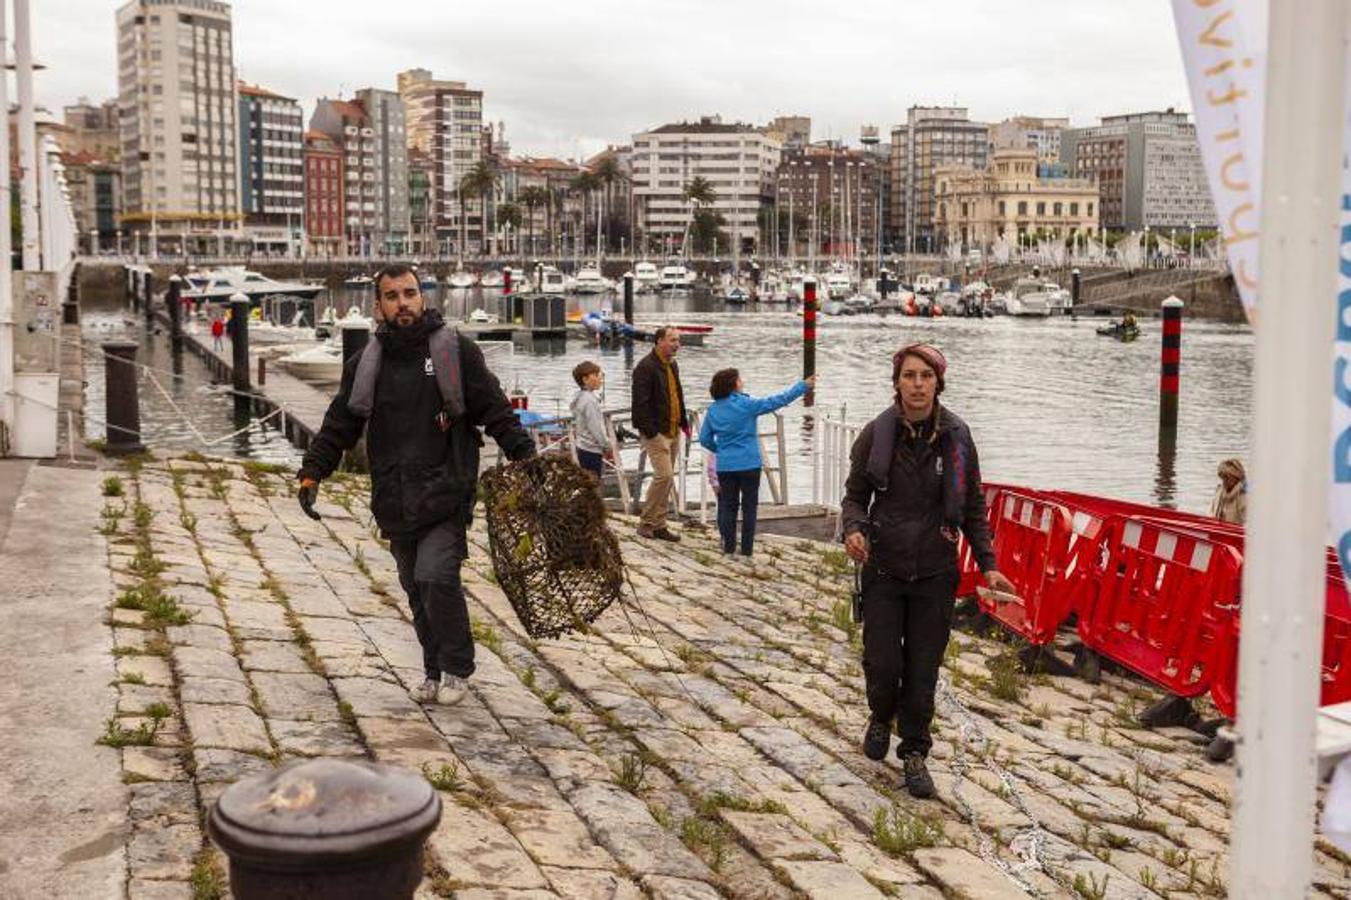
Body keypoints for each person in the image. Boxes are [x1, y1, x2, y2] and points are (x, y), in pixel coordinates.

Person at [295, 263, 535, 706]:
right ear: (379, 306)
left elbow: (495, 409)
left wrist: (526, 455)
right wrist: (313, 472)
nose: (402, 303)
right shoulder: (366, 363)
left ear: (421, 296)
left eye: (409, 293)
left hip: (447, 489)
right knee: (414, 587)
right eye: (392, 296)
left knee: (436, 576)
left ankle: (457, 667)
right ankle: (431, 668)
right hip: (393, 495)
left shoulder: (454, 353)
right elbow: (339, 424)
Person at [841, 343, 1015, 799]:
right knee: (883, 665)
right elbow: (855, 496)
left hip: (936, 571)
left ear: (939, 382)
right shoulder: (876, 435)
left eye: (926, 377)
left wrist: (989, 565)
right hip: (883, 565)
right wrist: (854, 530)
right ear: (897, 382)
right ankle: (881, 716)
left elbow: (974, 505)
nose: (918, 385)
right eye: (909, 376)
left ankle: (915, 752)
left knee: (922, 672)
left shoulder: (957, 436)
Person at [699, 369, 815, 557]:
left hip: (725, 466)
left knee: (728, 506)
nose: (742, 382)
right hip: (749, 464)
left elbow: (705, 439)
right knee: (749, 507)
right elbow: (778, 400)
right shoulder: (747, 404)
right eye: (740, 379)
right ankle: (746, 550)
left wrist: (721, 449)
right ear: (733, 384)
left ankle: (728, 548)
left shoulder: (713, 410)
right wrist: (802, 386)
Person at [630, 326, 688, 542]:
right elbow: (639, 404)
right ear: (659, 341)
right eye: (672, 340)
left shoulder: (672, 365)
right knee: (664, 476)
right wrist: (651, 432)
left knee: (667, 479)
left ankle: (660, 524)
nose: (677, 344)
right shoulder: (645, 367)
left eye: (678, 340)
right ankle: (646, 522)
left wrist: (683, 421)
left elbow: (677, 395)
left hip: (673, 429)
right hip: (656, 432)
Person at [570, 361, 609, 480]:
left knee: (588, 484)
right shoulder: (590, 401)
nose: (600, 378)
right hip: (591, 450)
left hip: (583, 447)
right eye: (596, 375)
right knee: (593, 485)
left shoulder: (581, 397)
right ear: (585, 379)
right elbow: (595, 427)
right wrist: (606, 444)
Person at [1209, 458, 1247, 524]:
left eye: (1227, 478)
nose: (1224, 481)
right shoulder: (1219, 492)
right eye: (1222, 477)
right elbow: (1211, 513)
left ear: (1236, 477)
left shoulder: (1244, 496)